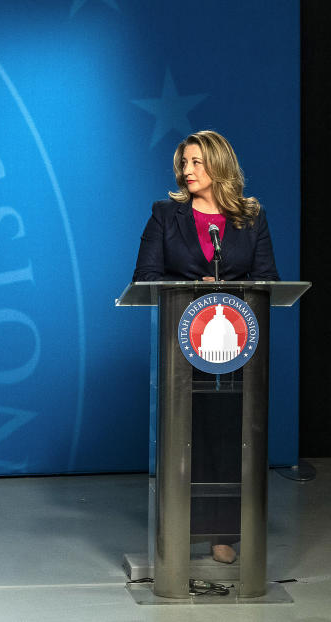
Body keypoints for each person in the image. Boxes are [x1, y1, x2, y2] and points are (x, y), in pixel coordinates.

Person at [132, 130, 279, 564]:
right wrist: (194, 286)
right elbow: (145, 276)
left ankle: (222, 533)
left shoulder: (250, 217)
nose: (187, 170)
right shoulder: (166, 214)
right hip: (182, 343)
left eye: (196, 162)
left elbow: (268, 279)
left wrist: (229, 291)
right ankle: (179, 527)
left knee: (228, 437)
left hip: (236, 347)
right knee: (185, 437)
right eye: (184, 162)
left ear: (219, 166)